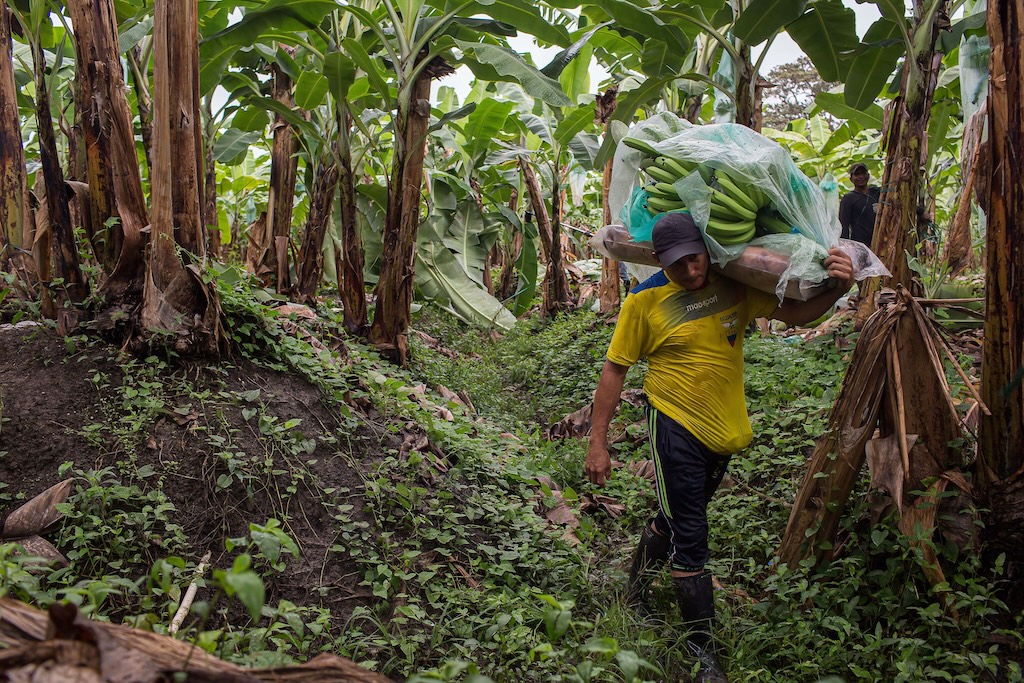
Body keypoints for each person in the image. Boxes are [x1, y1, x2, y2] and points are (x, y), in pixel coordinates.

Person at [585, 213, 855, 683]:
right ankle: (701, 654)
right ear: (657, 260)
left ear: (706, 248)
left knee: (674, 517)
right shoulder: (644, 300)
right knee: (691, 534)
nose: (690, 272)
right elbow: (615, 370)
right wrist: (598, 443)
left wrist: (836, 288)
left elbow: (791, 314)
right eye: (676, 266)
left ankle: (635, 588)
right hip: (674, 428)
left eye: (695, 259)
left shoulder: (732, 284)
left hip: (723, 432)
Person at [838, 162, 881, 246]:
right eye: (857, 174)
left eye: (863, 173)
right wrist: (846, 246)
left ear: (868, 176)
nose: (861, 177)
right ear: (851, 179)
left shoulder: (876, 192)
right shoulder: (848, 198)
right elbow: (844, 225)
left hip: (880, 242)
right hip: (861, 245)